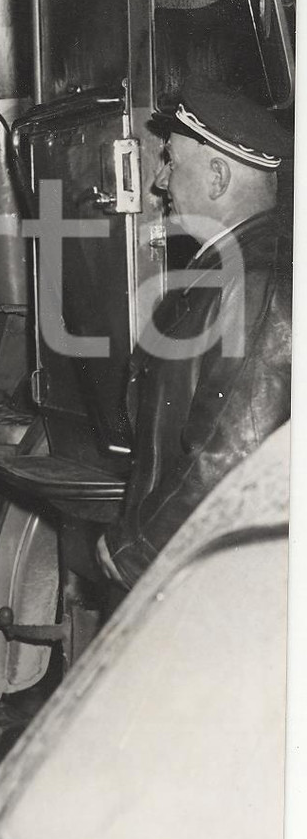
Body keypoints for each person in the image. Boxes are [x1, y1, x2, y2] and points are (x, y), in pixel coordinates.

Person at [99, 83, 293, 589]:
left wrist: (137, 552)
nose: (159, 180)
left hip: (208, 579)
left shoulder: (256, 285)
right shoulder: (228, 271)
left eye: (170, 159)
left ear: (218, 175)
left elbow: (232, 457)